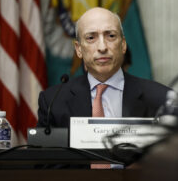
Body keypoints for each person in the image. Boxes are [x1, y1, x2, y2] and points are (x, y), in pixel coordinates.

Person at [37, 7, 170, 127]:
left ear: (123, 45)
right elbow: (44, 153)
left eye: (111, 36)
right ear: (78, 49)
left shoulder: (160, 98)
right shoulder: (52, 102)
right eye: (91, 38)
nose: (102, 47)